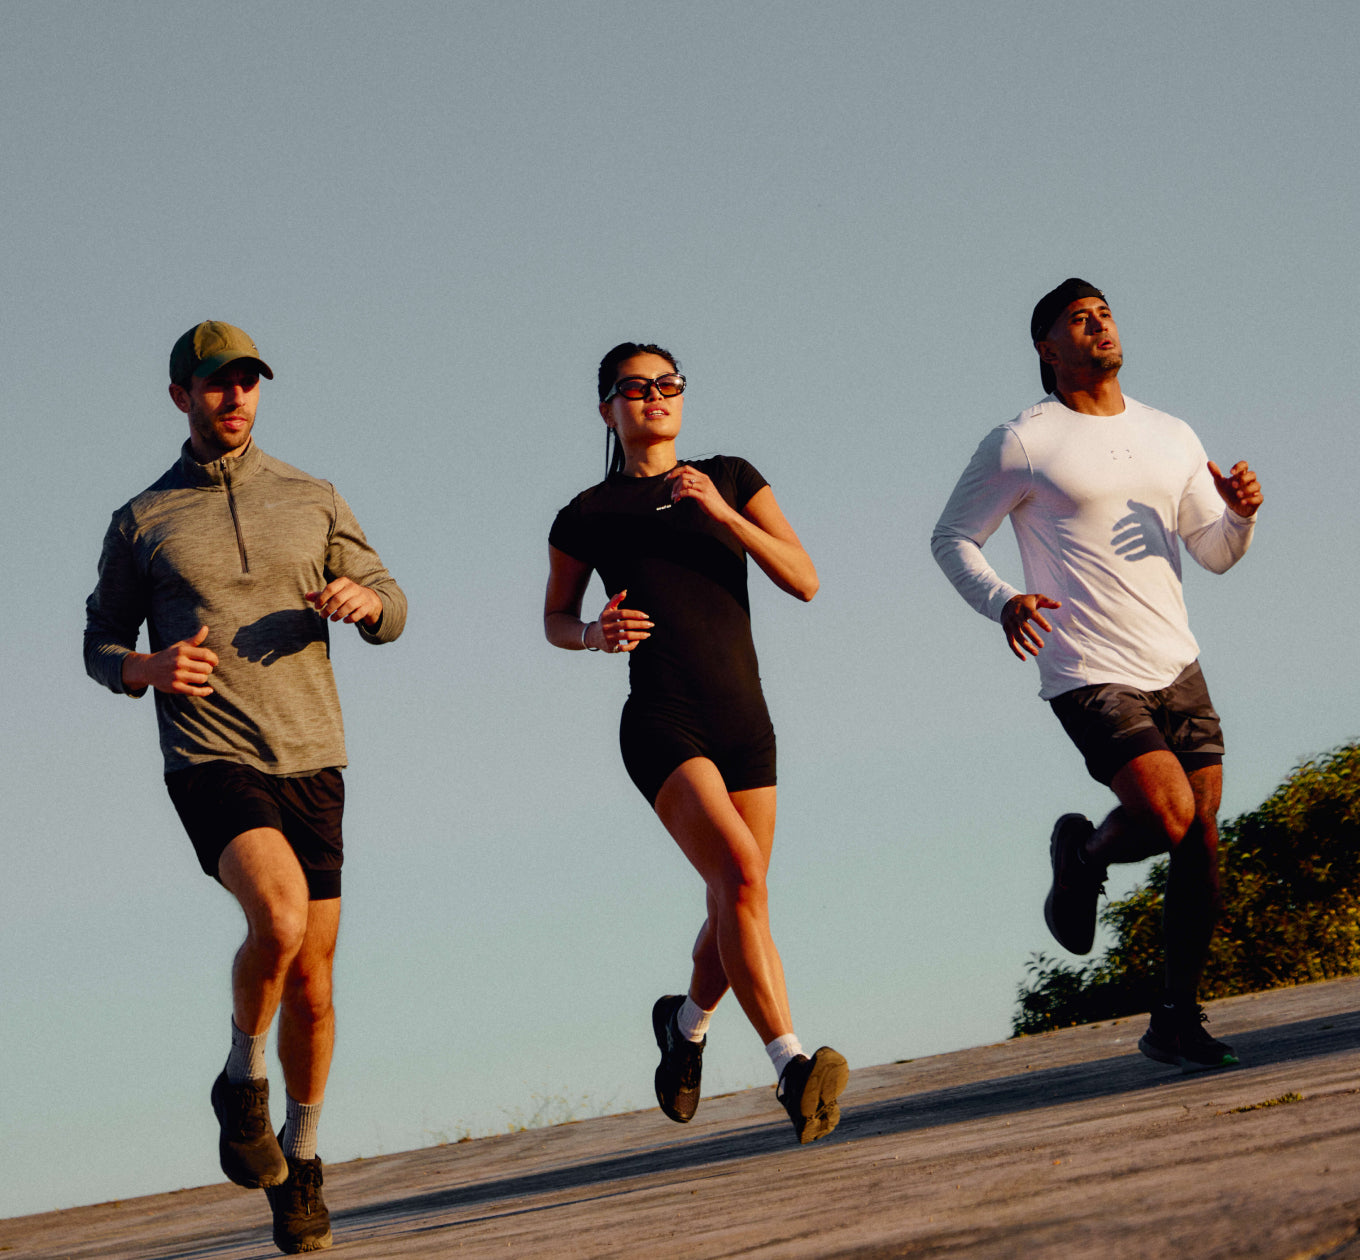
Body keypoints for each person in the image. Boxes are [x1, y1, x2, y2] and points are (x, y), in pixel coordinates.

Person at [84, 321, 407, 1254]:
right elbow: (99, 640)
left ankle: (300, 1164)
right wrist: (142, 670)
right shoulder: (143, 519)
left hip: (314, 754)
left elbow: (390, 599)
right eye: (215, 385)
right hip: (212, 756)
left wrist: (365, 604)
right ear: (181, 395)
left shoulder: (313, 497)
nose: (234, 398)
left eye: (247, 383)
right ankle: (243, 1079)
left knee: (314, 983)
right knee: (279, 917)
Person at [931, 280, 1262, 1074]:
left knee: (1200, 836)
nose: (1099, 325)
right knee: (1174, 814)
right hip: (1086, 667)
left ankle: (1172, 1014)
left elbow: (1212, 552)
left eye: (1106, 312)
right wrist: (1005, 602)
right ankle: (1084, 863)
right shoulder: (1024, 440)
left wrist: (1240, 514)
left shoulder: (1169, 434)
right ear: (1047, 349)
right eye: (1079, 319)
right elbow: (951, 538)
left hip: (1175, 661)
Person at [543, 342, 848, 1143]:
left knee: (738, 900)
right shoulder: (587, 513)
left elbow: (804, 578)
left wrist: (721, 513)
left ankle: (684, 1028)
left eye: (668, 384)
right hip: (661, 721)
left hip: (745, 720)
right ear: (607, 408)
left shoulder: (733, 477)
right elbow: (553, 619)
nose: (655, 397)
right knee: (742, 876)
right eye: (636, 388)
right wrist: (592, 635)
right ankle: (791, 1067)